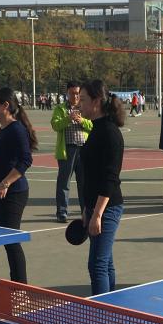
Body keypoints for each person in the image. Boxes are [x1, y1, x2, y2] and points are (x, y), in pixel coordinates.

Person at [78, 79, 125, 294]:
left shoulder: (110, 133)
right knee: (105, 263)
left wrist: (97, 213)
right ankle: (111, 305)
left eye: (83, 99)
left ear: (96, 101)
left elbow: (110, 178)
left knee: (96, 265)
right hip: (95, 206)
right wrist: (86, 209)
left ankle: (101, 310)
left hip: (107, 207)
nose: (79, 104)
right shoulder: (96, 129)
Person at [0, 87, 35, 283]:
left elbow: (26, 160)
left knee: (12, 242)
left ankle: (20, 288)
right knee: (7, 242)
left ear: (5, 105)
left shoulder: (16, 129)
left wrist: (5, 183)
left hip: (14, 193)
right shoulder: (4, 129)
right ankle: (16, 284)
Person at [50, 81, 92, 222]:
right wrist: (68, 119)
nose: (75, 96)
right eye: (72, 93)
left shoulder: (85, 108)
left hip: (84, 149)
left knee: (84, 183)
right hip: (67, 149)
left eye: (77, 93)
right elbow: (55, 125)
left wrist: (82, 120)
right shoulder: (60, 108)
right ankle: (62, 212)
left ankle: (86, 211)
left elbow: (92, 125)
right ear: (67, 93)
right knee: (64, 182)